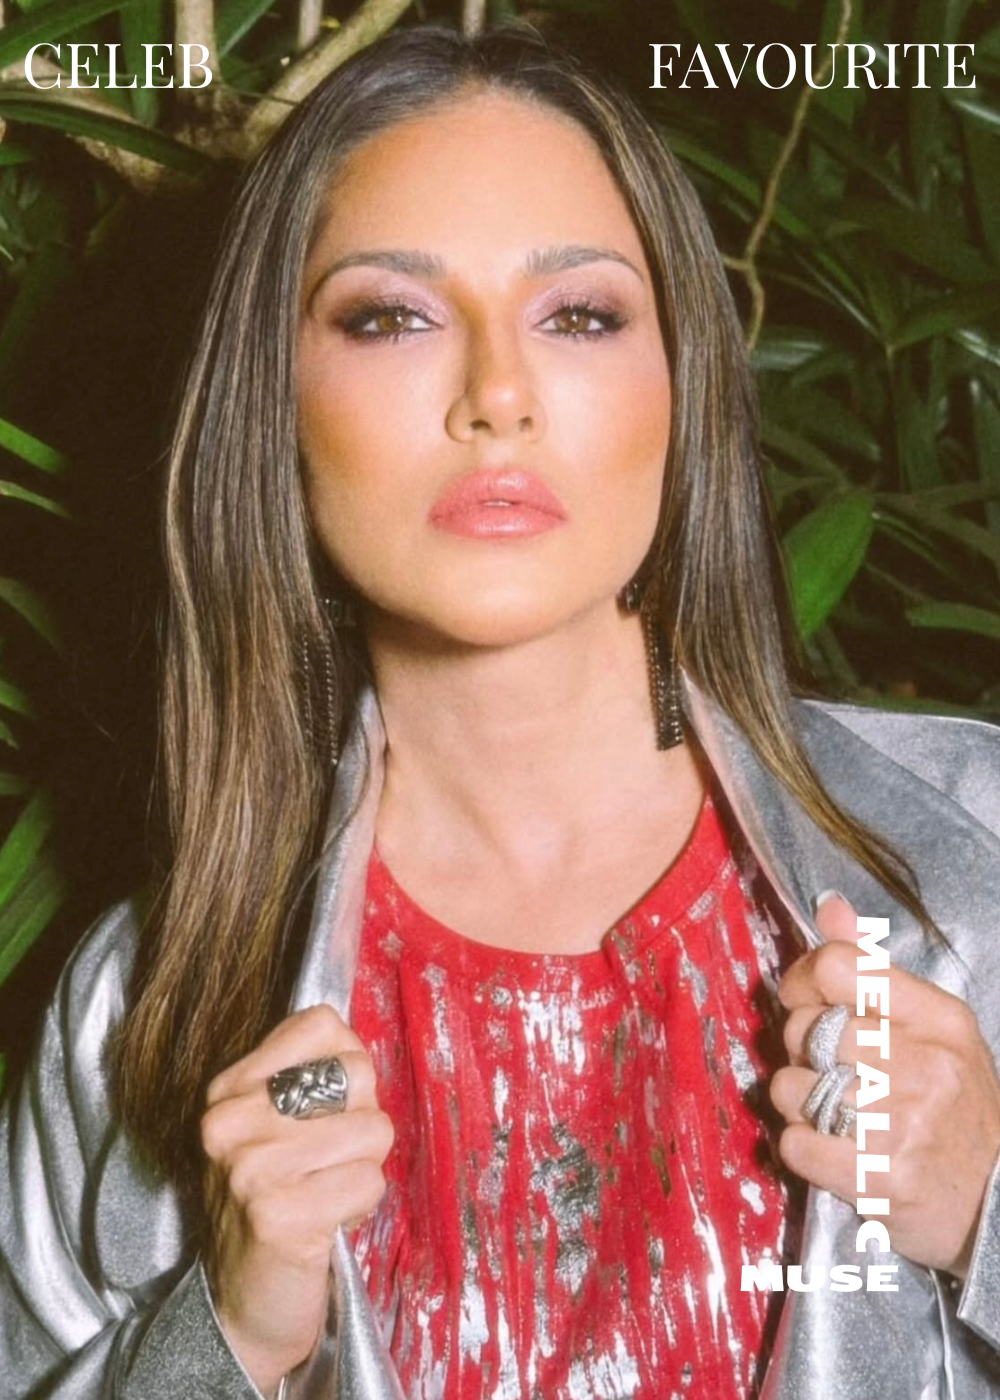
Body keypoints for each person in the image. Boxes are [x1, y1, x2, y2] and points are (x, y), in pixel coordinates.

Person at [2, 20, 1000, 1400]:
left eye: (579, 316)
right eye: (389, 317)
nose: (498, 396)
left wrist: (988, 1210)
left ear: (684, 384)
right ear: (272, 406)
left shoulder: (971, 856)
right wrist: (224, 1335)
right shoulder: (141, 1003)